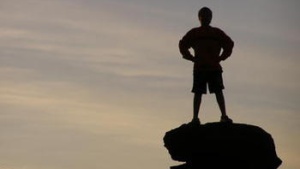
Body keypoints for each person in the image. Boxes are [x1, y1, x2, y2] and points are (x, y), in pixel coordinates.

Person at [179, 7, 234, 124]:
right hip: (201, 68)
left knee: (218, 91)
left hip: (212, 67)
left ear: (211, 17)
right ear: (199, 17)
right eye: (203, 15)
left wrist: (221, 57)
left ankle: (223, 115)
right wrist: (190, 57)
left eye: (207, 15)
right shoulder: (195, 33)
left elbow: (229, 44)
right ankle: (195, 118)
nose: (205, 17)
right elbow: (182, 44)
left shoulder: (216, 33)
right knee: (198, 93)